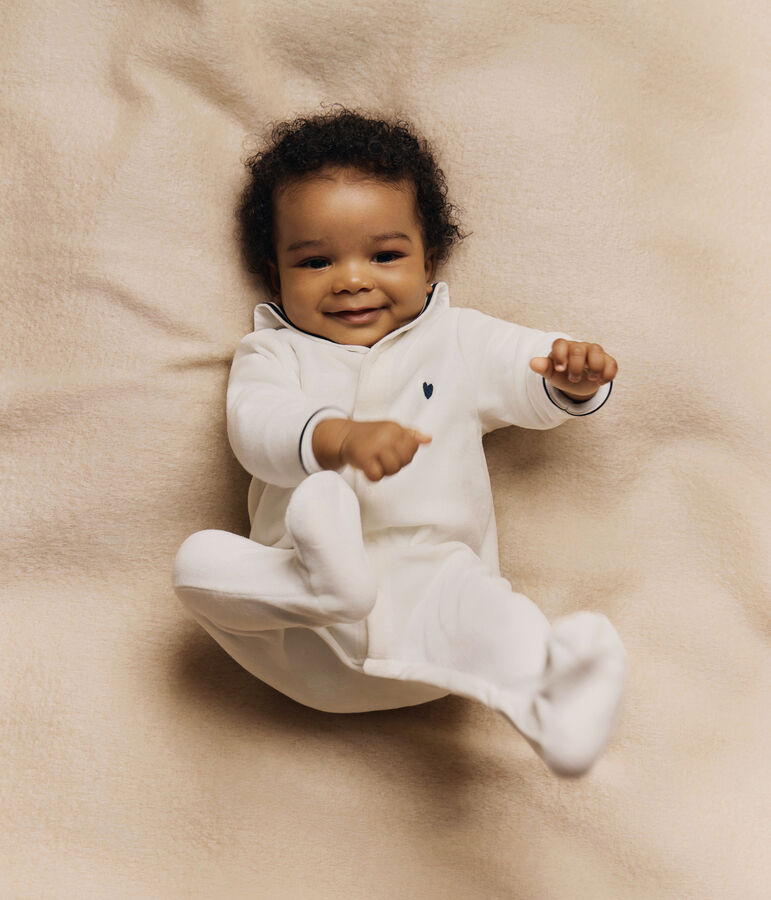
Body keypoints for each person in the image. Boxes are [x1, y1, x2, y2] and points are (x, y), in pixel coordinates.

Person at [173, 108, 627, 777]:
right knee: (197, 563)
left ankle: (551, 704)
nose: (352, 279)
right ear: (276, 272)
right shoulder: (273, 353)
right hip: (298, 635)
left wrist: (572, 377)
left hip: (432, 604)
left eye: (384, 256)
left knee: (491, 611)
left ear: (428, 257)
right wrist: (335, 438)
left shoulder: (458, 340)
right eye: (316, 260)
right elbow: (255, 425)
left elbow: (525, 368)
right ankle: (324, 585)